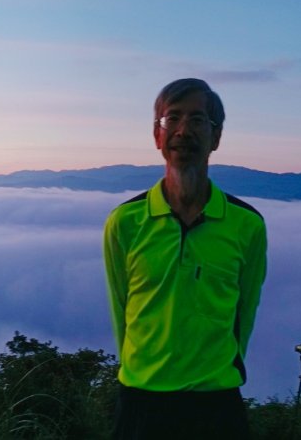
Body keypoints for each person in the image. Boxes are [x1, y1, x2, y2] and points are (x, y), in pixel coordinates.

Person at [103, 78, 267, 439]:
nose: (183, 130)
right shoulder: (125, 222)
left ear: (216, 136)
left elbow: (245, 312)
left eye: (197, 120)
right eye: (171, 119)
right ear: (156, 136)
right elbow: (121, 311)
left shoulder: (247, 225)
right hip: (141, 401)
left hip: (217, 404)